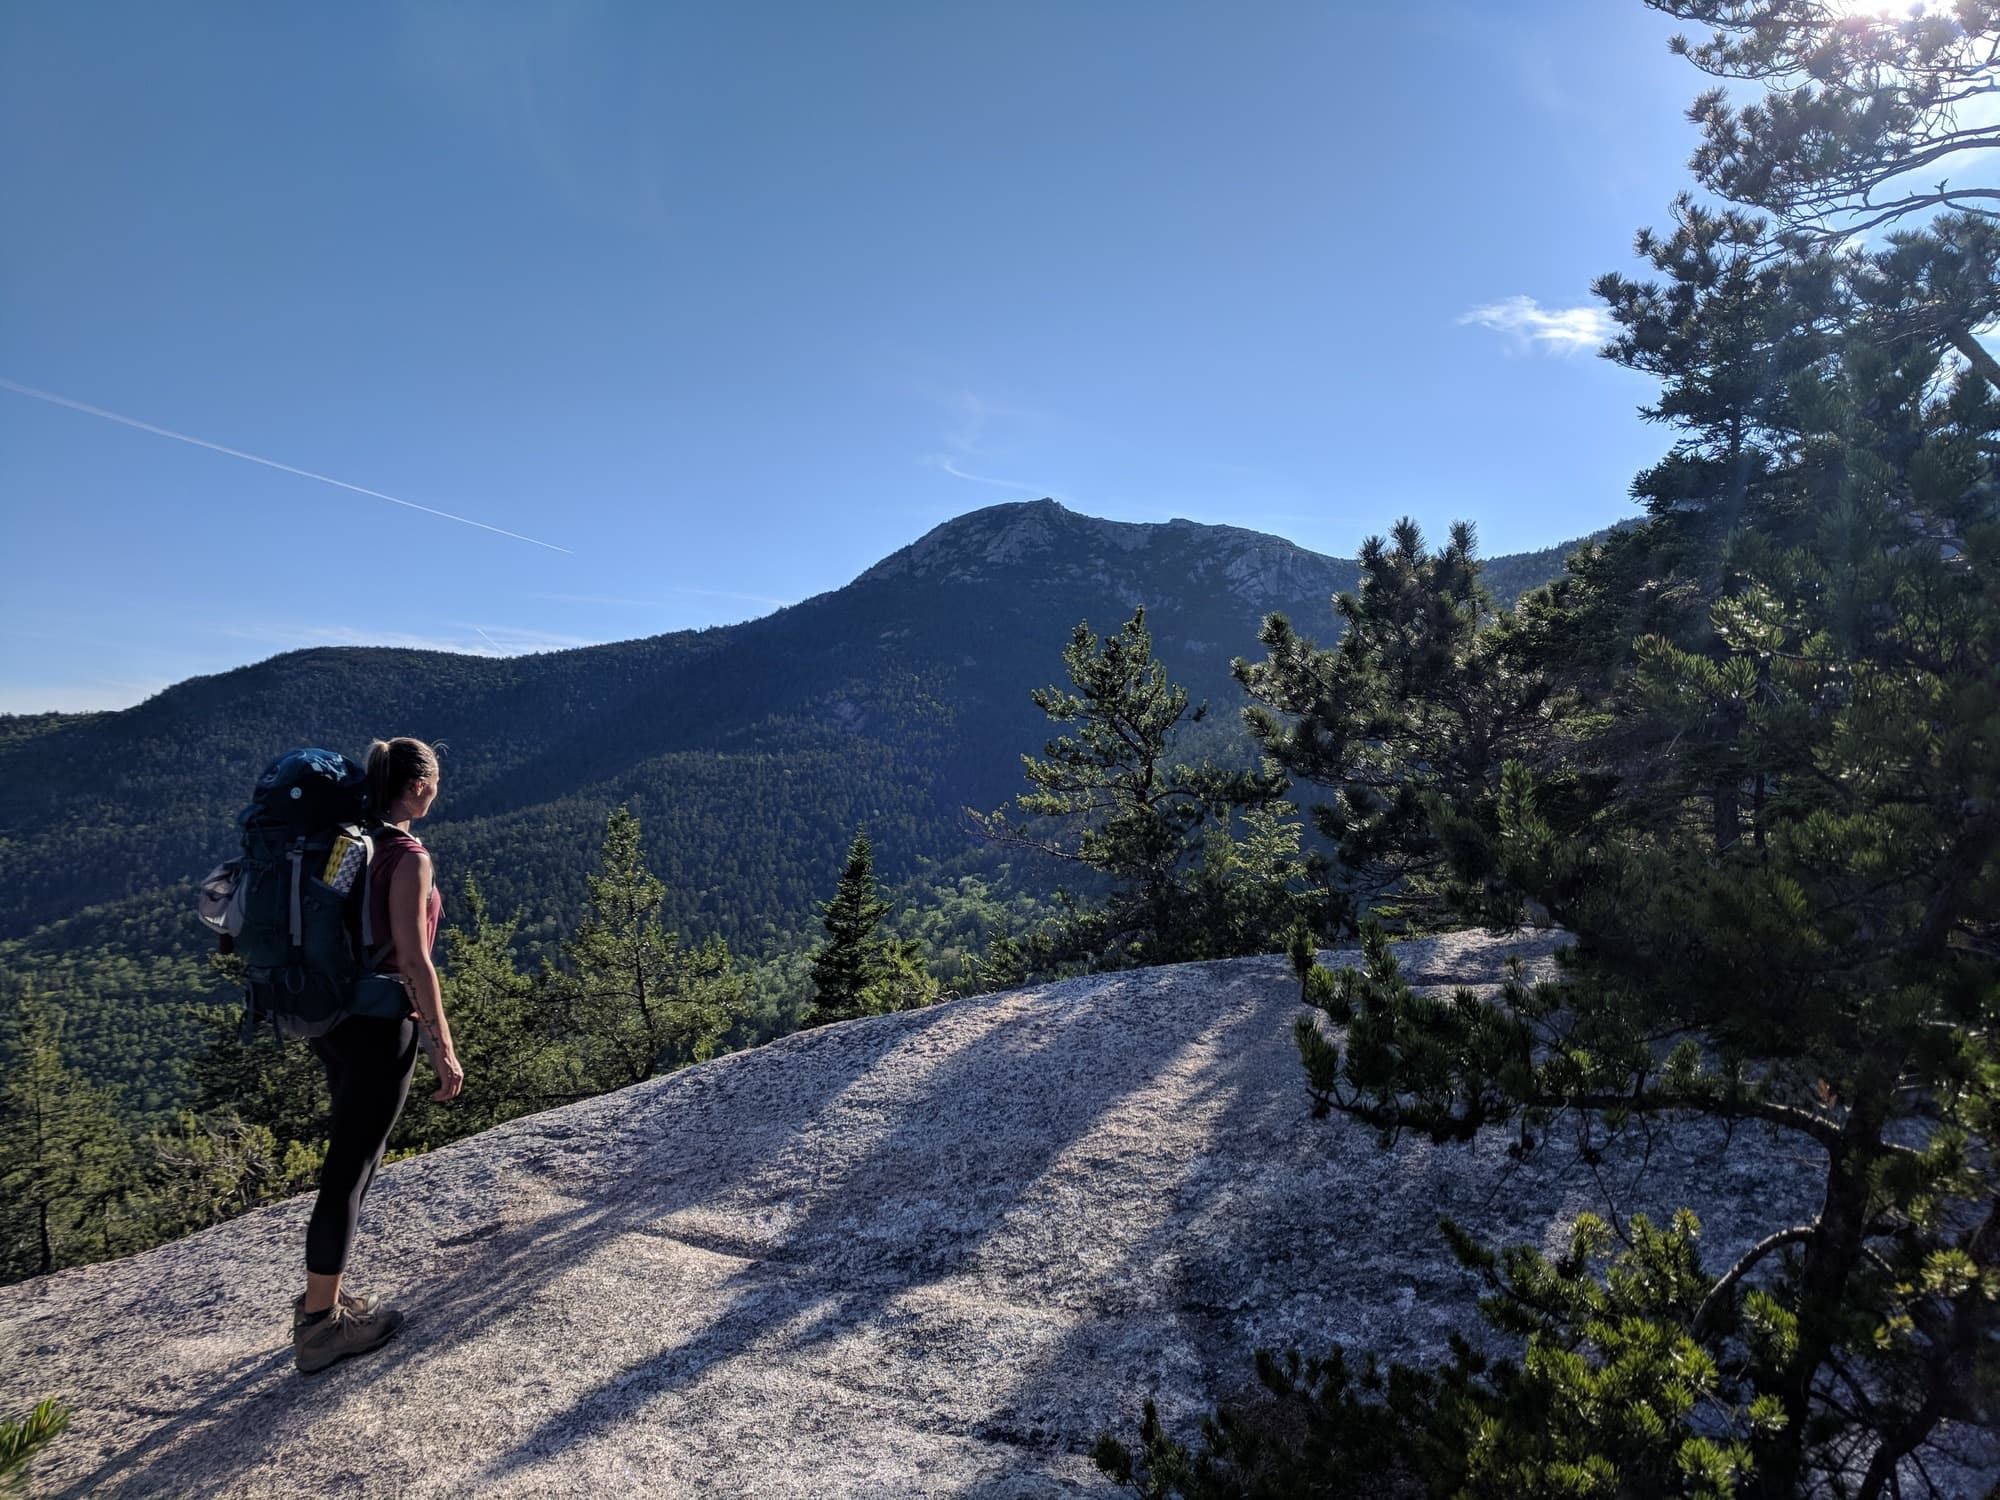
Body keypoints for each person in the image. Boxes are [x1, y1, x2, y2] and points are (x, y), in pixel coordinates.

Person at [292, 736, 466, 1375]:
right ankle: (319, 1327)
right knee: (351, 1168)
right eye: (436, 781)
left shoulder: (349, 842)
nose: (437, 791)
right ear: (419, 787)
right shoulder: (406, 855)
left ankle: (324, 1295)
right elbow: (414, 958)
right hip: (378, 1021)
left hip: (333, 1018)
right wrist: (443, 1047)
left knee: (351, 1156)